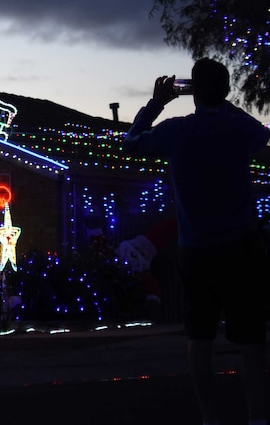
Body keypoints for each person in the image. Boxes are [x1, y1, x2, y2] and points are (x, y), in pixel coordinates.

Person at [123, 57, 269, 425]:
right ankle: (256, 418)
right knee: (252, 342)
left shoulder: (176, 130)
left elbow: (131, 143)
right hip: (241, 248)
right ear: (225, 89)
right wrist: (224, 102)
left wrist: (157, 102)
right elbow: (261, 134)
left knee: (200, 341)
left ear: (192, 93)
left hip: (196, 250)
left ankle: (210, 419)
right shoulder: (239, 129)